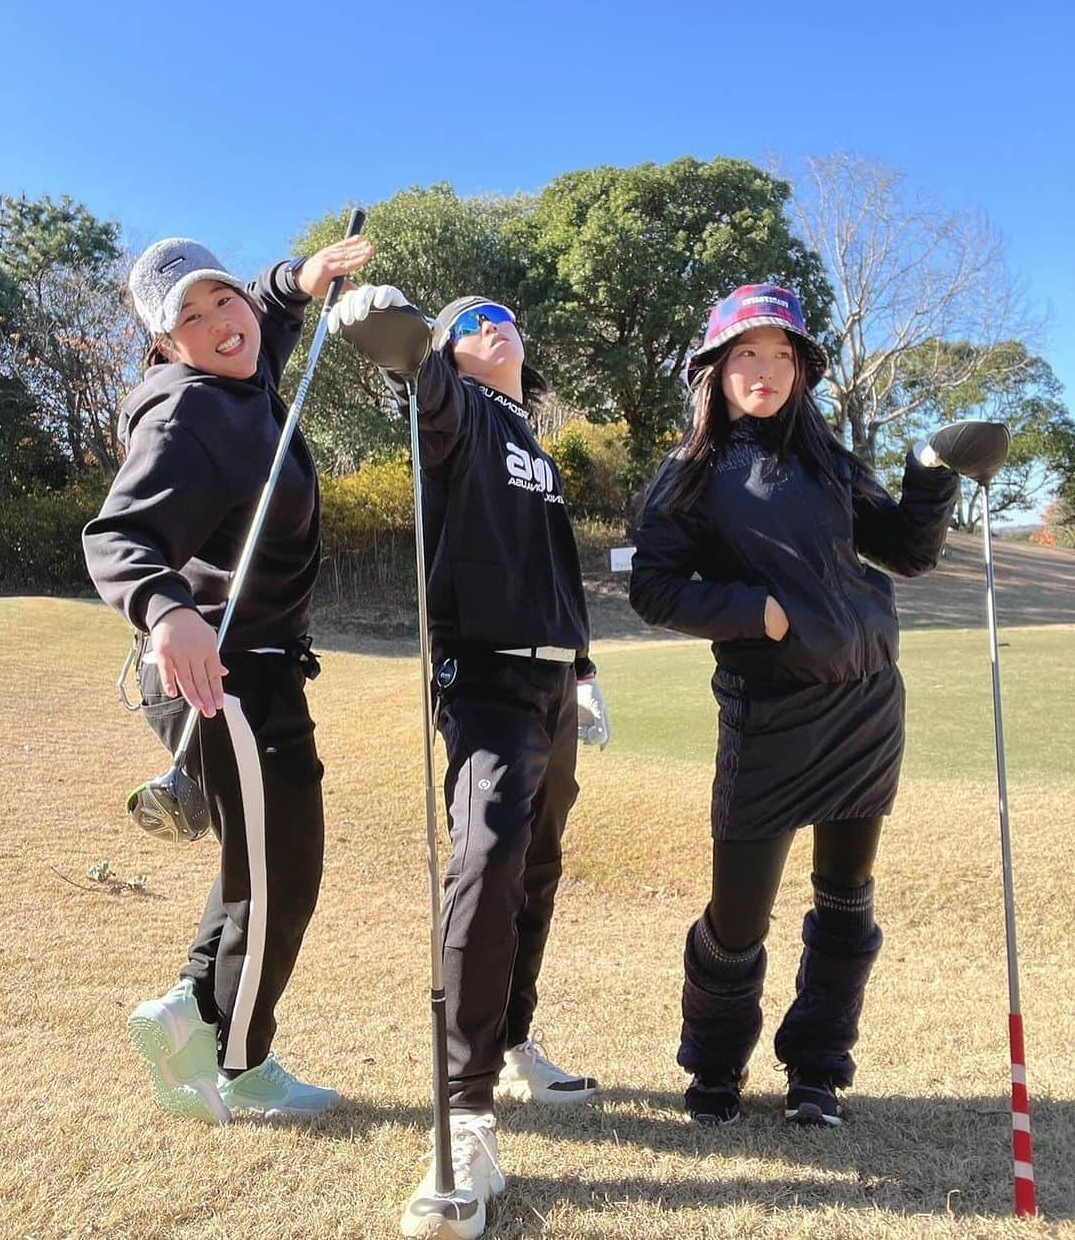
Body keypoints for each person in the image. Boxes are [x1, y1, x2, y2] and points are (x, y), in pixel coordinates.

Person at [628, 283, 959, 1128]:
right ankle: (713, 1069)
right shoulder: (691, 473)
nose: (764, 369)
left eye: (782, 355)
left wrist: (930, 473)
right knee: (737, 919)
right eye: (747, 353)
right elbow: (655, 587)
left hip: (866, 708)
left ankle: (817, 1069)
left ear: (803, 370)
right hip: (769, 713)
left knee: (846, 897)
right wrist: (754, 611)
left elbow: (908, 553)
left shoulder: (833, 462)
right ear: (715, 367)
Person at [327, 285, 610, 1239]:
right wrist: (401, 330)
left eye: (496, 319)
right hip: (483, 678)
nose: (485, 330)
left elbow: (557, 568)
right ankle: (468, 1106)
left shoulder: (536, 438)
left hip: (552, 683)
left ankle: (518, 1036)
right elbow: (428, 396)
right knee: (486, 861)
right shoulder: (455, 411)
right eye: (463, 328)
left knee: (537, 866)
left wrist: (585, 667)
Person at [82, 230, 373, 1122]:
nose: (220, 322)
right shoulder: (189, 414)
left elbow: (268, 324)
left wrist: (298, 279)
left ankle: (186, 1011)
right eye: (191, 319)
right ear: (166, 346)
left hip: (263, 674)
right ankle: (242, 1066)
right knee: (284, 865)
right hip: (220, 678)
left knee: (264, 860)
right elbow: (118, 537)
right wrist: (167, 610)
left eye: (224, 300)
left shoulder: (242, 380)